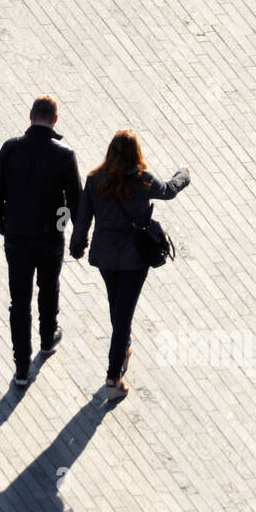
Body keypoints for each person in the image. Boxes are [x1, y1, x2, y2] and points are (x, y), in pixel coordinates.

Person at [69, 130, 190, 400]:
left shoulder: (94, 180)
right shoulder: (142, 181)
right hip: (135, 259)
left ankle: (122, 350)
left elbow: (83, 218)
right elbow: (169, 190)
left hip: (105, 257)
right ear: (136, 153)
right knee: (123, 317)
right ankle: (114, 378)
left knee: (117, 307)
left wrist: (77, 245)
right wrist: (184, 174)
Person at [0, 95, 82, 389]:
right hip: (49, 238)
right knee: (49, 286)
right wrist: (70, 232)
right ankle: (47, 336)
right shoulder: (65, 155)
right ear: (55, 119)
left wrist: (2, 223)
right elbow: (75, 202)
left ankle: (20, 369)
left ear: (31, 115)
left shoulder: (11, 148)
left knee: (19, 301)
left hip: (17, 238)